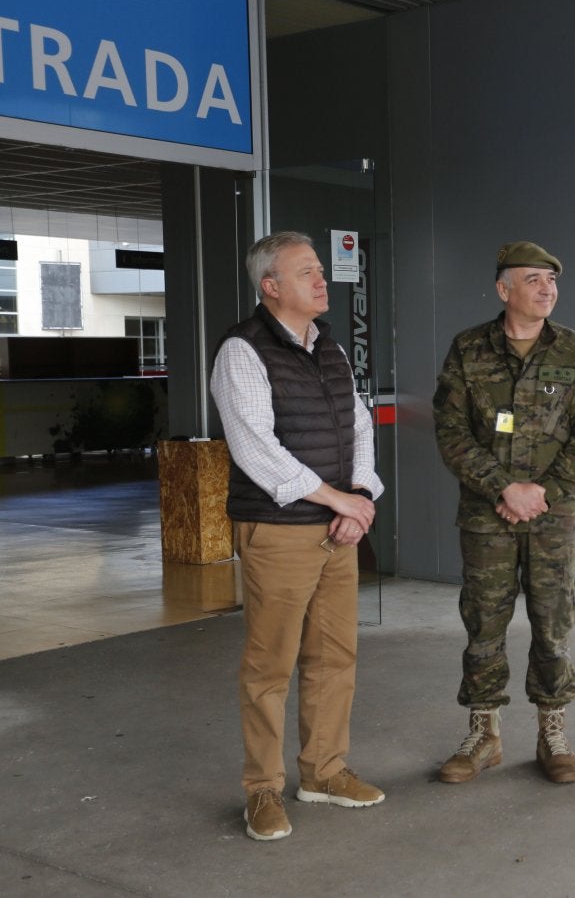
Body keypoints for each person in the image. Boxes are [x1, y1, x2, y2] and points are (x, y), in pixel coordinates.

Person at [211, 231, 385, 842]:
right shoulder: (242, 350)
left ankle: (324, 771)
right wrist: (338, 499)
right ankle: (262, 788)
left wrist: (359, 498)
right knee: (270, 665)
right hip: (279, 530)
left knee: (334, 656)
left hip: (337, 529)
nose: (321, 279)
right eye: (307, 271)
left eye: (320, 269)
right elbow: (255, 447)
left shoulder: (329, 348)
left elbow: (360, 427)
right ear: (270, 286)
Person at [431, 241, 575, 786]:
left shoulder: (573, 350)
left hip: (552, 516)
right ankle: (483, 733)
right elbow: (451, 432)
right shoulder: (468, 349)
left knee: (553, 623)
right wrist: (504, 488)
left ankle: (552, 731)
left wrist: (541, 493)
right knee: (484, 623)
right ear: (503, 289)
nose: (547, 289)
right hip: (488, 516)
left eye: (552, 280)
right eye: (533, 279)